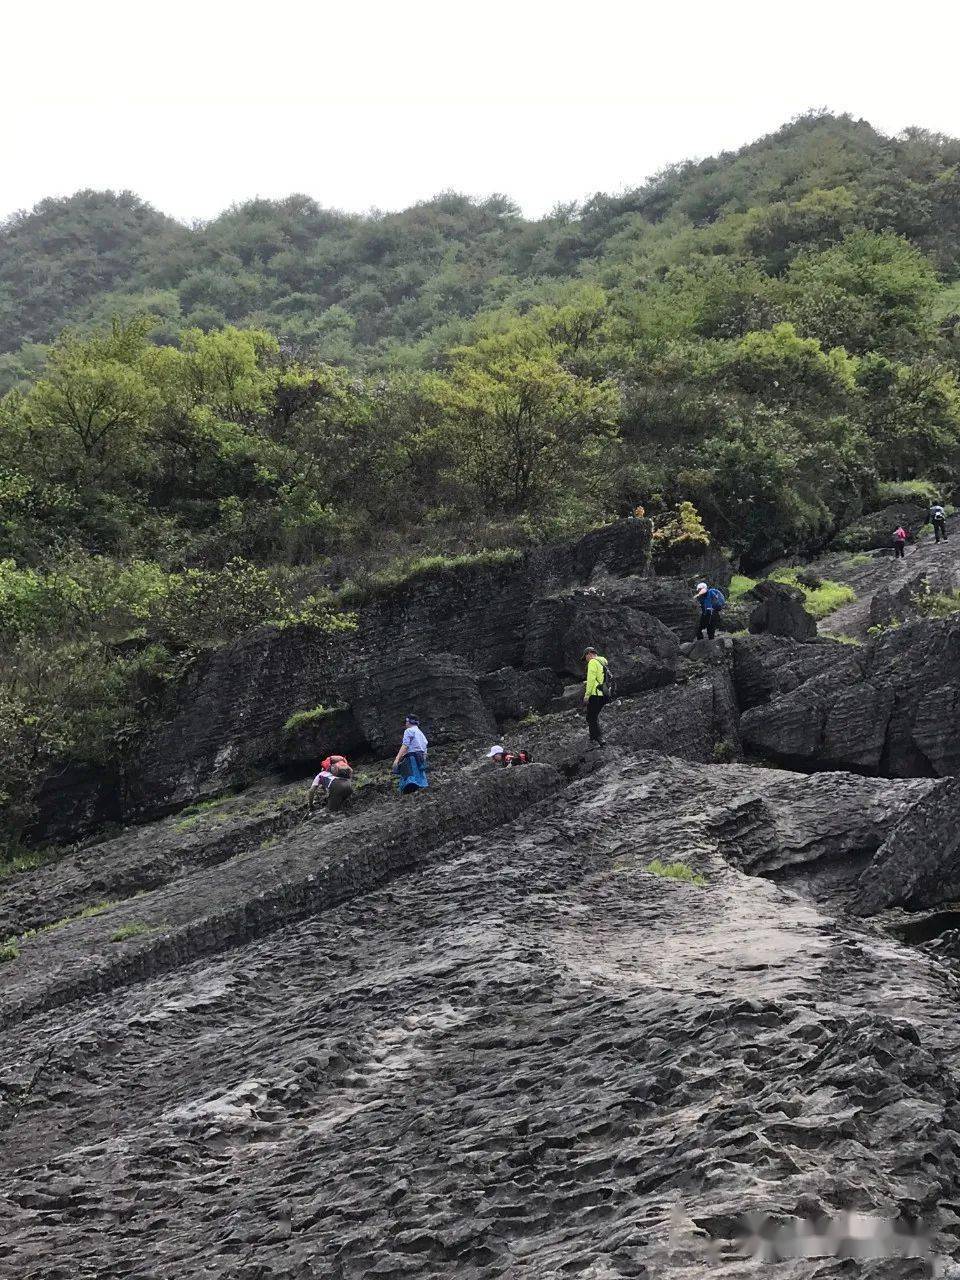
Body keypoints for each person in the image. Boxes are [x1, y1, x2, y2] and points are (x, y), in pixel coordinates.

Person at [393, 715, 429, 795]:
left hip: (411, 758)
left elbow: (405, 745)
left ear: (410, 722)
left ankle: (409, 791)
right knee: (420, 779)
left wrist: (397, 758)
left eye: (406, 721)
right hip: (420, 757)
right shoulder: (421, 733)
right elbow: (425, 748)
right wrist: (423, 761)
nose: (405, 723)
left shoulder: (408, 731)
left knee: (410, 778)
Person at [582, 646, 609, 747]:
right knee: (592, 716)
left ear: (589, 653)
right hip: (604, 694)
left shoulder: (592, 662)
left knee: (591, 717)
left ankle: (599, 738)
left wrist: (586, 695)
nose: (586, 660)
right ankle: (593, 737)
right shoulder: (602, 662)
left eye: (585, 657)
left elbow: (591, 680)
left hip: (595, 694)